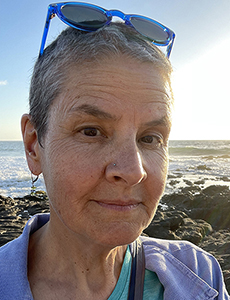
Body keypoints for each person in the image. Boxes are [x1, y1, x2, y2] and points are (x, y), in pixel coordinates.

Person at [0, 2, 229, 300]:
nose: (134, 171)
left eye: (150, 138)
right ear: (33, 146)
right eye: (91, 131)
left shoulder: (199, 274)